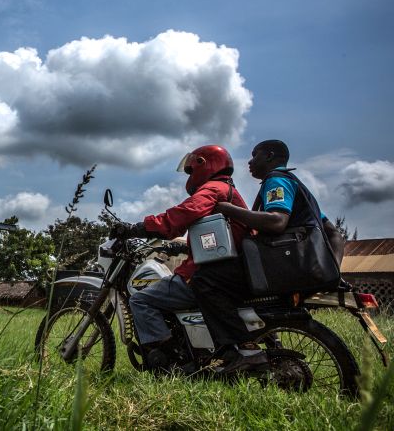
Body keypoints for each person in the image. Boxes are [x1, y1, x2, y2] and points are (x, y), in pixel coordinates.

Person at [208, 139, 345, 373]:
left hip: (282, 268)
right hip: (304, 268)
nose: (249, 162)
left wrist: (227, 209)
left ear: (270, 156)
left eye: (255, 155)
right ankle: (269, 341)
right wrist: (332, 272)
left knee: (207, 281)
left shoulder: (276, 180)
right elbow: (335, 234)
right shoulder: (298, 186)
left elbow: (277, 221)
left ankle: (245, 350)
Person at [112, 145, 249, 372]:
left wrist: (136, 228)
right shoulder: (228, 190)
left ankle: (169, 357)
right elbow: (212, 239)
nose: (189, 176)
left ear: (203, 164)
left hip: (206, 275)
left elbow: (179, 216)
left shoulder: (213, 189)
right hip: (228, 269)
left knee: (140, 300)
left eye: (190, 170)